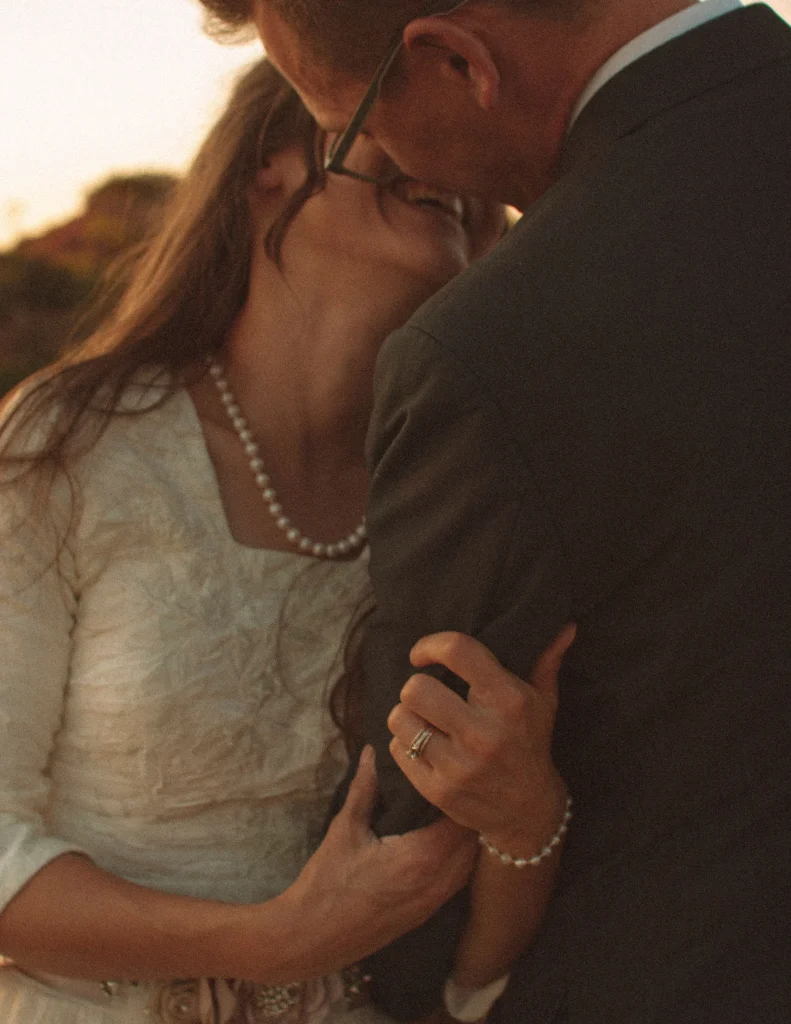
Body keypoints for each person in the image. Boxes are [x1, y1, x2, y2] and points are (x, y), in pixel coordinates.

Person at [197, 1, 791, 1022]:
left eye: (361, 132)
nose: (406, 173)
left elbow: (414, 854)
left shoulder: (501, 347)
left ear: (454, 61)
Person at [0, 57, 574, 1024]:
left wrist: (528, 820)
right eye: (407, 113)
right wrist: (275, 942)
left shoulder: (464, 499)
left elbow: (469, 978)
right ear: (269, 160)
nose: (448, 161)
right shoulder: (70, 443)